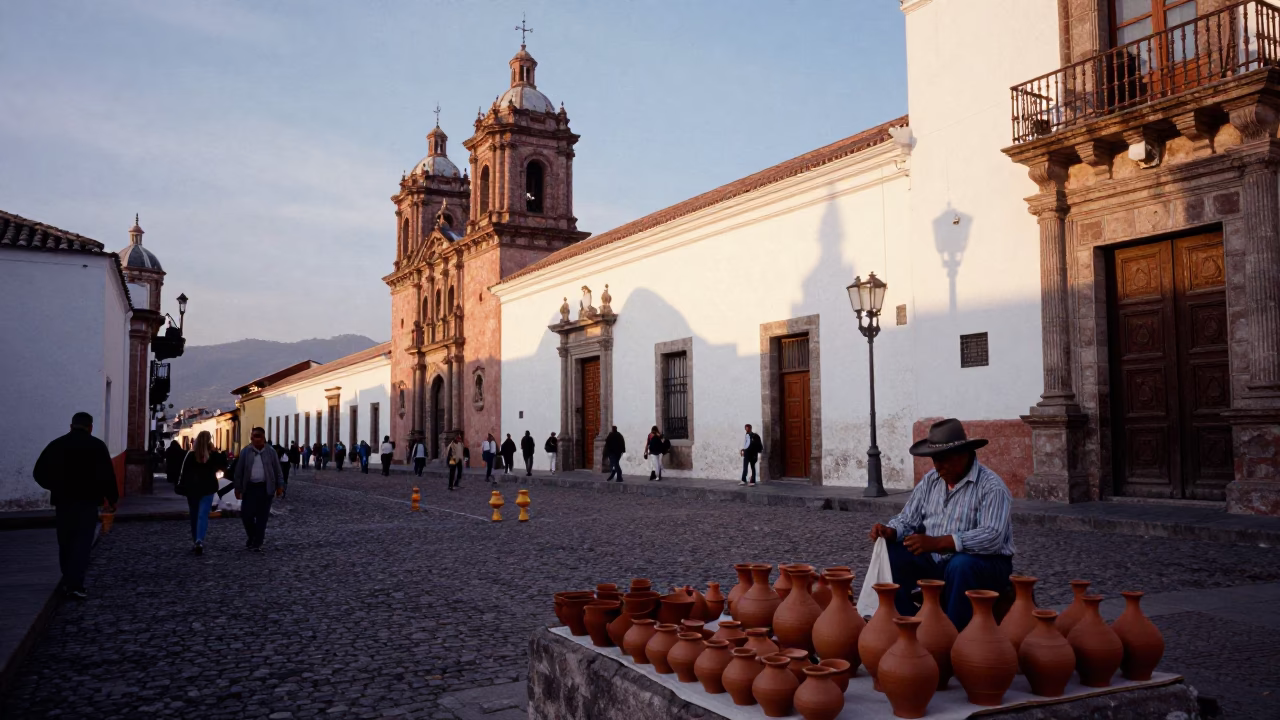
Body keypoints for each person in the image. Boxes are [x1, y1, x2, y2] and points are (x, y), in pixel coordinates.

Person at [868, 418, 1014, 631]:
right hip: (937, 562)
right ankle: (908, 625)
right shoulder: (932, 480)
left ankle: (952, 634)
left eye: (943, 459)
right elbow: (909, 518)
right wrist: (891, 530)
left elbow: (992, 537)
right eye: (935, 460)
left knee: (960, 565)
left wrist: (940, 543)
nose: (938, 466)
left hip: (986, 564)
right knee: (892, 554)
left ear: (963, 454)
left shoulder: (991, 487)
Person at [32, 412, 119, 599]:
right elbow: (107, 476)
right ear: (91, 427)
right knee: (82, 542)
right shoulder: (97, 446)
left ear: (71, 426)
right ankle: (76, 584)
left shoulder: (56, 445)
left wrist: (54, 485)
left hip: (63, 501)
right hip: (88, 502)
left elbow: (39, 472)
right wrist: (112, 499)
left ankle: (67, 577)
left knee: (65, 541)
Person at [232, 427, 284, 551]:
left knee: (262, 517)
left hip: (265, 488)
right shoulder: (245, 452)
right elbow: (239, 471)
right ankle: (252, 536)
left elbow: (278, 470)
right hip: (250, 488)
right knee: (246, 515)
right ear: (251, 437)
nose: (256, 439)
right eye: (254, 436)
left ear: (263, 438)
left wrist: (280, 486)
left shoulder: (271, 452)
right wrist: (237, 488)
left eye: (259, 436)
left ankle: (257, 542)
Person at [175, 431, 226, 555]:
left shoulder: (190, 455)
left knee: (194, 515)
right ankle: (199, 540)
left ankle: (195, 541)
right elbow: (223, 466)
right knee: (203, 515)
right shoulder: (213, 455)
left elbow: (184, 472)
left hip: (192, 489)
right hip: (208, 488)